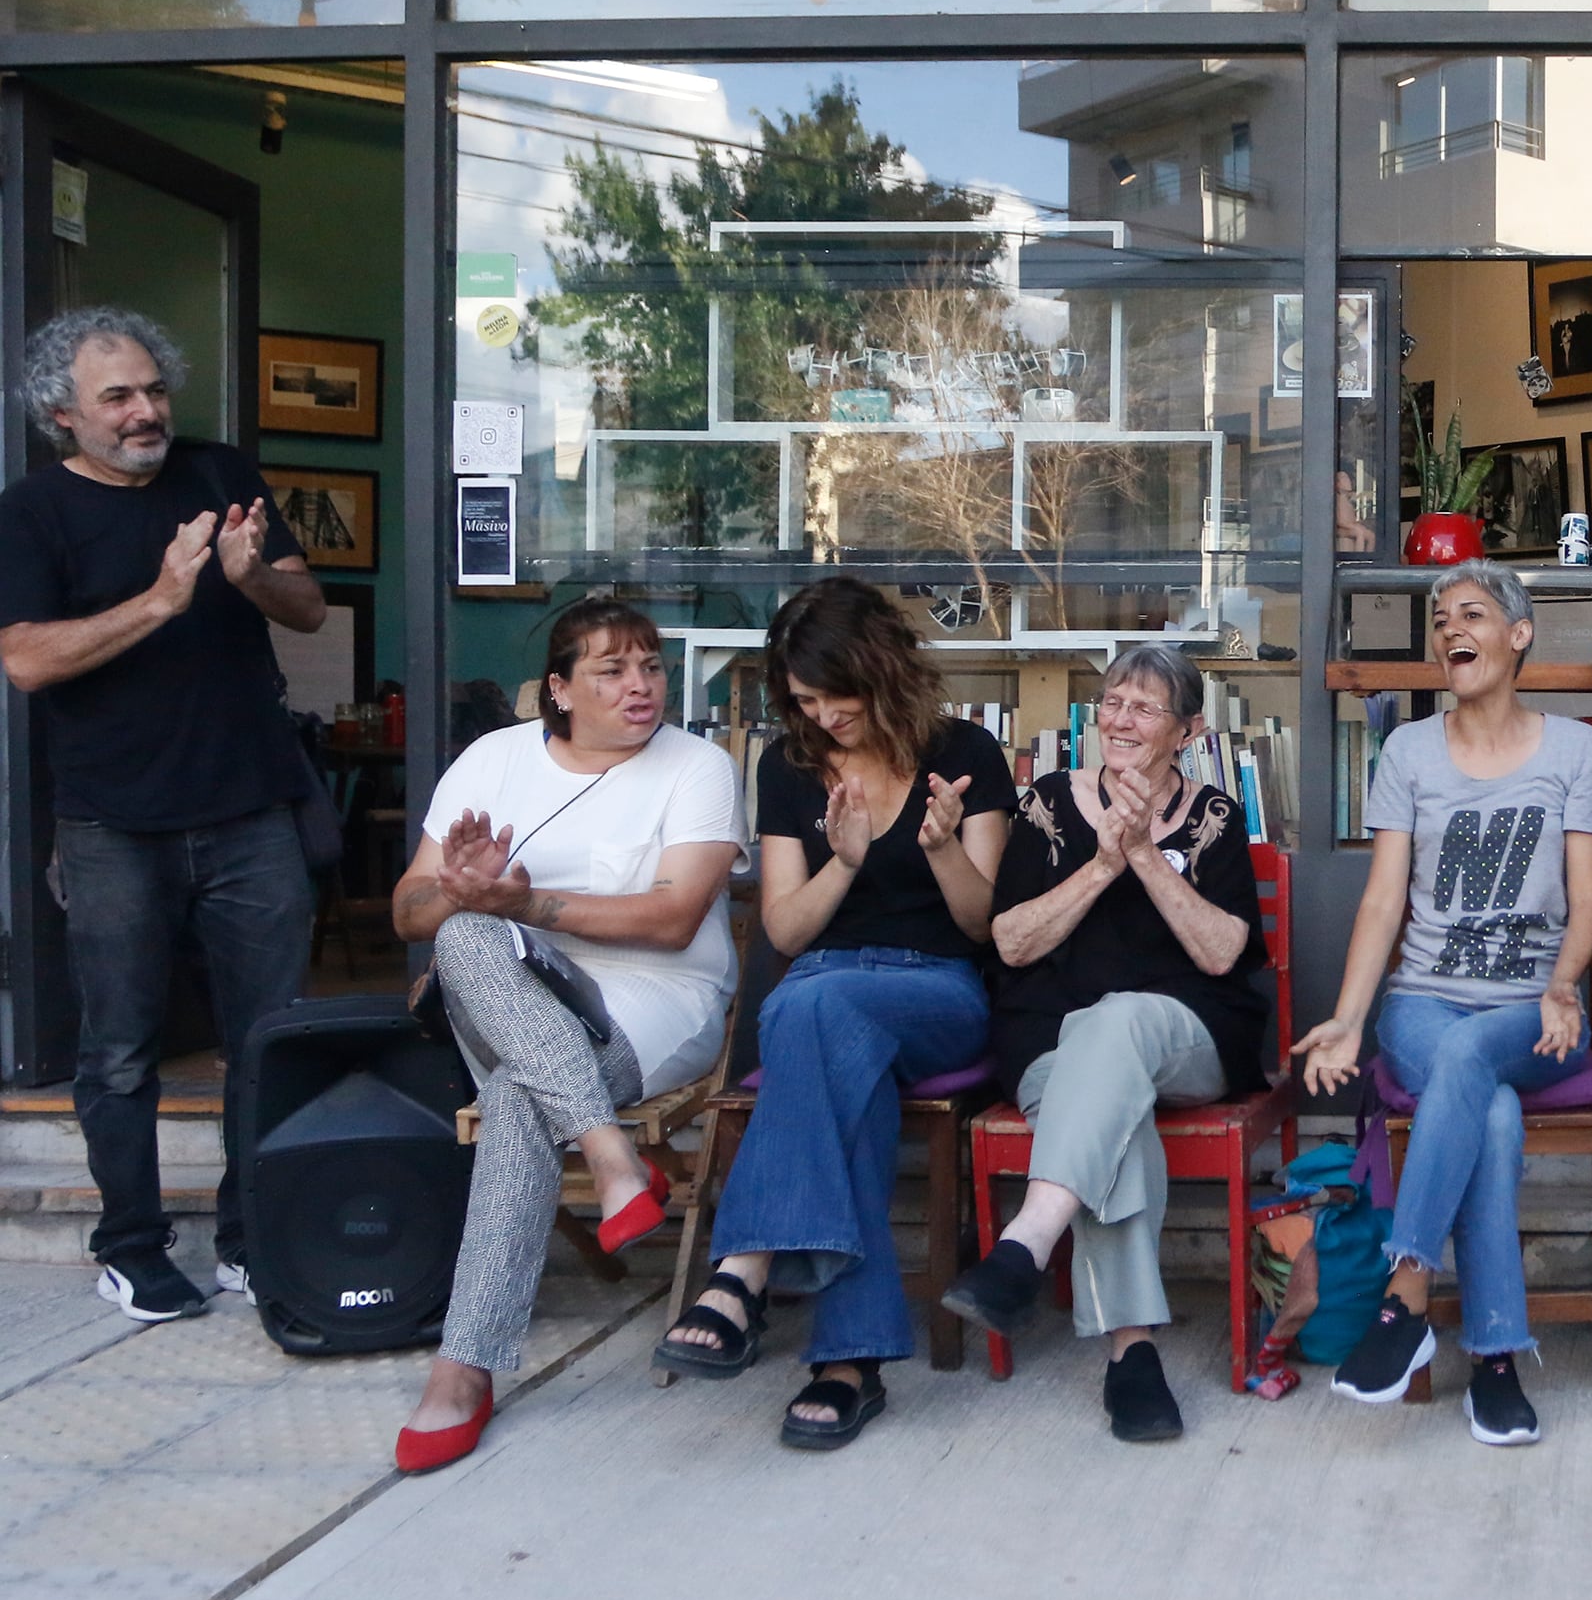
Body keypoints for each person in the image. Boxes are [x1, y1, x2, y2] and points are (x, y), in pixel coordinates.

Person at [0, 307, 327, 1323]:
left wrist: (250, 575)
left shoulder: (221, 471)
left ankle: (249, 1236)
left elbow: (308, 607)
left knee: (266, 1037)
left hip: (248, 807)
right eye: (119, 397)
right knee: (121, 1049)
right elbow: (26, 658)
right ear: (64, 415)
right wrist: (160, 598)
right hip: (113, 823)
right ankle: (132, 1245)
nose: (147, 411)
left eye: (154, 388)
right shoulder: (30, 512)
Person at [649, 579, 1010, 1449]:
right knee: (832, 1033)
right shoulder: (788, 764)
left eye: (833, 696)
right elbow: (782, 927)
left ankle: (742, 1270)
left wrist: (940, 849)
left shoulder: (964, 754)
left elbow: (983, 925)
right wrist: (843, 863)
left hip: (940, 992)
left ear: (879, 672)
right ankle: (848, 1363)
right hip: (823, 988)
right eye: (803, 700)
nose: (821, 715)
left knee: (816, 1009)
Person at [389, 599, 743, 1472]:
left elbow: (670, 923)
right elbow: (409, 911)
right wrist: (465, 895)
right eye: (612, 671)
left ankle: (461, 1372)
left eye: (651, 667)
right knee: (464, 936)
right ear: (557, 689)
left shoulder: (695, 765)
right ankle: (611, 1155)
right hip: (508, 990)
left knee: (517, 1094)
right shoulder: (493, 761)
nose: (640, 687)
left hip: (655, 999)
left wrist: (527, 903)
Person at [1291, 561, 1592, 1445]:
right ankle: (1497, 1364)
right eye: (1440, 621)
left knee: (1479, 1070)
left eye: (1471, 614)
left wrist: (1559, 984)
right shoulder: (1409, 751)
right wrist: (1353, 1017)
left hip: (1536, 1016)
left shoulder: (1576, 750)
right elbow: (1383, 901)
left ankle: (1404, 1302)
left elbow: (1589, 900)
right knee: (1490, 1112)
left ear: (1519, 634)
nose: (1449, 632)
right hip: (1425, 1004)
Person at [938, 644, 1273, 1444]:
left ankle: (1028, 1238)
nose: (1121, 719)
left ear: (1187, 733)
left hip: (1187, 1039)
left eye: (1144, 708)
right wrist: (1098, 866)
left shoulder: (1216, 817)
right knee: (1112, 1107)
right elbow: (1011, 943)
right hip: (1052, 1044)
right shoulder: (1047, 805)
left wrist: (1147, 857)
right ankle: (1133, 1358)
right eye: (1113, 701)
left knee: (1120, 1017)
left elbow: (1224, 952)